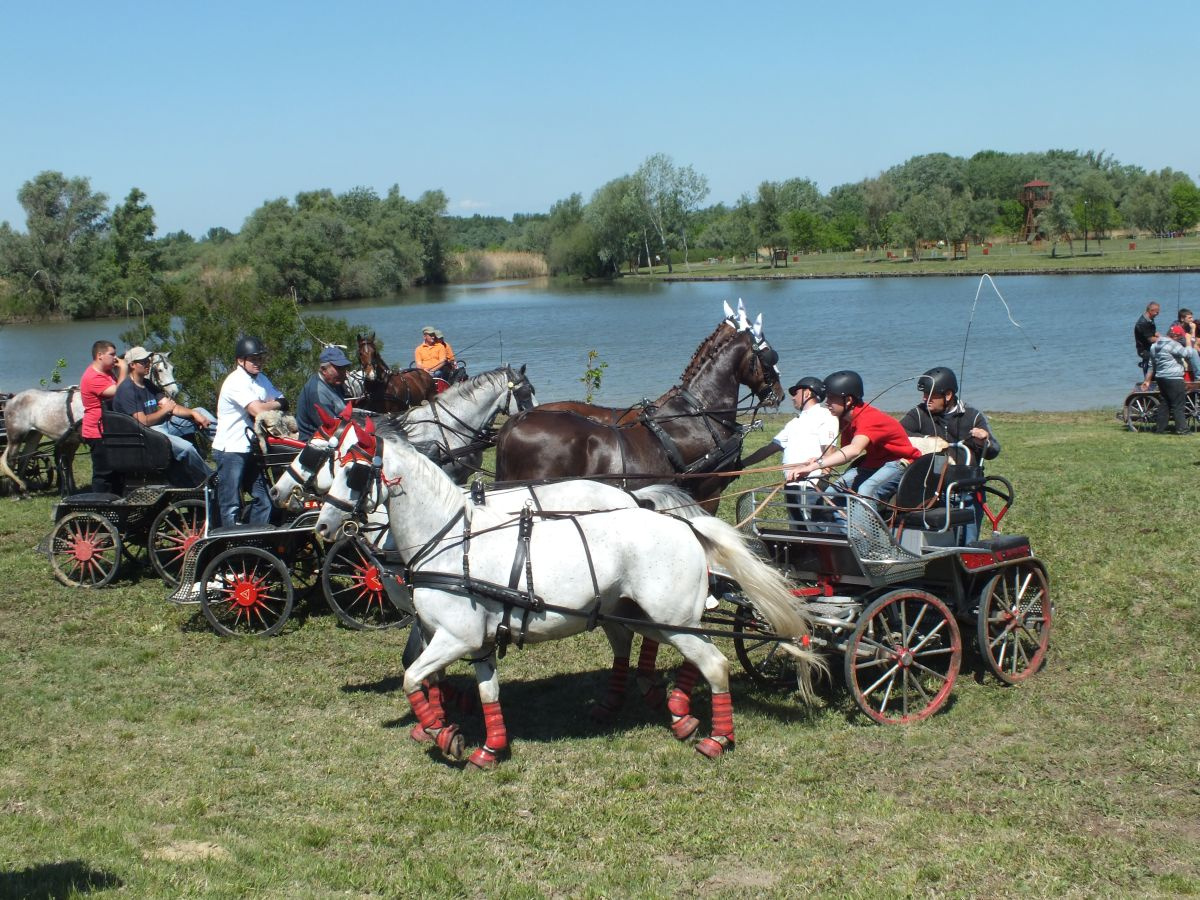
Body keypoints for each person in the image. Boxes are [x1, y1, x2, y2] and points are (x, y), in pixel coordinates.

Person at [787, 370, 920, 504]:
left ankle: (864, 525)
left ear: (848, 400)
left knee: (866, 490)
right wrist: (820, 460)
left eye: (832, 398)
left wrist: (813, 467)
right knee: (832, 492)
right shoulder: (845, 420)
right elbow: (844, 453)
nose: (826, 402)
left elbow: (854, 450)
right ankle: (841, 524)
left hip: (901, 463)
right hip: (874, 463)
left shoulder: (868, 418)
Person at [899, 366, 1001, 542]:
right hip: (931, 486)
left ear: (948, 395)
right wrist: (930, 441)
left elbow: (994, 450)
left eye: (930, 395)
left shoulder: (972, 416)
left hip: (965, 485)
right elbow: (899, 434)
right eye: (924, 395)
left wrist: (983, 441)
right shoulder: (919, 412)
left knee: (968, 541)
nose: (925, 399)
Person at [741, 377, 839, 525]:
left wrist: (821, 483)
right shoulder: (794, 423)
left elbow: (829, 452)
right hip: (792, 485)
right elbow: (770, 448)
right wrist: (742, 464)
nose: (793, 397)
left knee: (816, 531)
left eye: (796, 392)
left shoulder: (826, 416)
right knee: (797, 531)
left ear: (807, 393)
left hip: (811, 486)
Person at [212, 336, 287, 526]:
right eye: (253, 359)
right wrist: (269, 405)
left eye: (260, 358)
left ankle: (254, 541)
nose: (258, 363)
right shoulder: (235, 381)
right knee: (231, 504)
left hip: (251, 448)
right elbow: (257, 410)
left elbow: (284, 401)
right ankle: (228, 545)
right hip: (231, 449)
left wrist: (267, 404)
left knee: (264, 500)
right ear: (240, 360)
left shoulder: (261, 378)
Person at [112, 346, 212, 487]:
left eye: (148, 360)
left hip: (164, 424)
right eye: (143, 361)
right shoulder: (127, 390)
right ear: (132, 365)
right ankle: (210, 478)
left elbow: (173, 407)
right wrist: (165, 410)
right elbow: (143, 421)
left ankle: (226, 447)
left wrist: (193, 413)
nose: (148, 364)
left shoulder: (147, 384)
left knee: (200, 410)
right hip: (148, 433)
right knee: (186, 448)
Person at [79, 340, 128, 494]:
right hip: (97, 431)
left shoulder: (107, 372)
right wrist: (124, 370)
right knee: (103, 473)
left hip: (109, 428)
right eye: (111, 354)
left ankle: (115, 500)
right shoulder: (93, 377)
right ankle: (100, 503)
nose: (115, 358)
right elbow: (117, 393)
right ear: (100, 355)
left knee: (117, 471)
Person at [1141, 324, 1197, 435]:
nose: (1181, 338)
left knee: (1165, 403)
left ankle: (1160, 429)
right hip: (1174, 378)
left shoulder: (1155, 345)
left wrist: (1147, 380)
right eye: (1180, 337)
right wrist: (1188, 340)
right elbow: (1189, 354)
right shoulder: (1172, 344)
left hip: (1161, 378)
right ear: (1175, 335)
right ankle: (1182, 430)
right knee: (1178, 404)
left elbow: (1152, 365)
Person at [296, 345, 352, 441]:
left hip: (335, 435)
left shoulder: (335, 382)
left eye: (344, 367)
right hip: (316, 443)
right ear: (323, 370)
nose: (344, 372)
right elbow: (331, 428)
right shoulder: (317, 391)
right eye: (339, 368)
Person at [1134, 301, 1161, 377]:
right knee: (1151, 361)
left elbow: (1152, 332)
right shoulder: (1142, 323)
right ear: (1151, 311)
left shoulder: (1150, 319)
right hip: (1144, 350)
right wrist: (1165, 340)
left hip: (1151, 347)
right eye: (1157, 312)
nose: (1158, 314)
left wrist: (1159, 335)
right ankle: (1148, 379)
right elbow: (1151, 339)